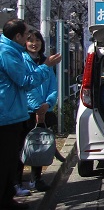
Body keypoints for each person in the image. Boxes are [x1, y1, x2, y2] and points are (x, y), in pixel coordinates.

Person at [0, 19, 61, 210]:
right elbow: (25, 82)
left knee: (10, 159)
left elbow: (50, 86)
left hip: (13, 113)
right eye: (27, 35)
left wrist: (47, 104)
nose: (30, 39)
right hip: (7, 114)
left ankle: (8, 197)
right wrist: (46, 66)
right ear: (18, 37)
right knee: (9, 159)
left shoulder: (11, 51)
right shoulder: (8, 53)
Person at [19, 30, 67, 192]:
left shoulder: (46, 61)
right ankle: (17, 181)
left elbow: (53, 86)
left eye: (37, 40)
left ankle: (36, 179)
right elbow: (26, 86)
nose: (34, 43)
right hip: (26, 111)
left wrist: (48, 103)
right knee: (23, 146)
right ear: (24, 43)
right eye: (30, 40)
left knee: (40, 145)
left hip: (44, 110)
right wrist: (38, 106)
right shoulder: (21, 60)